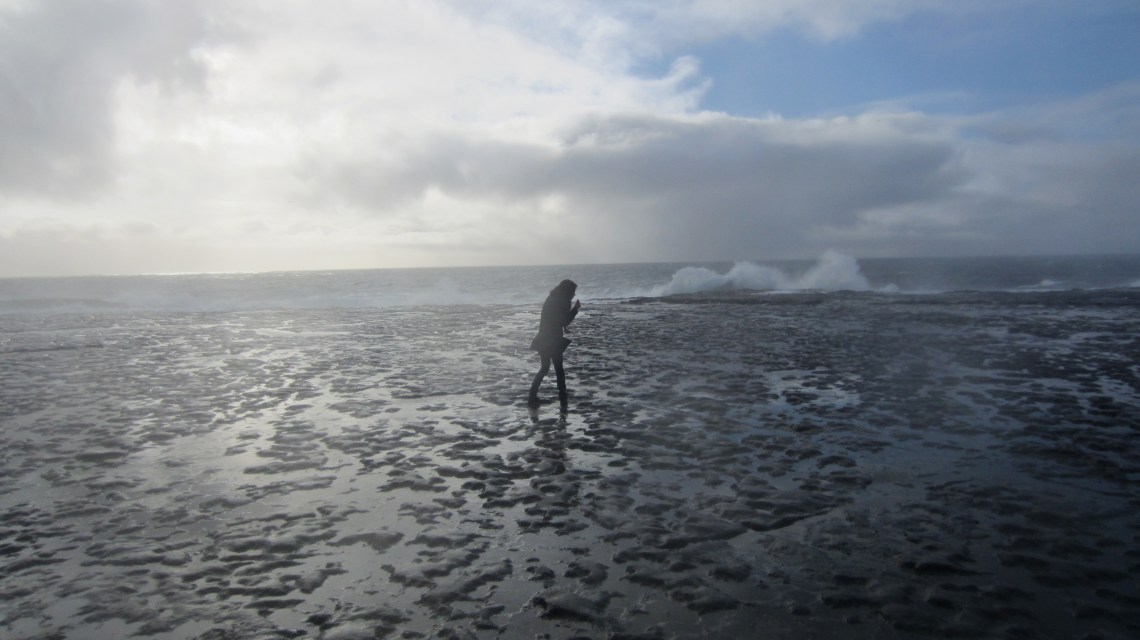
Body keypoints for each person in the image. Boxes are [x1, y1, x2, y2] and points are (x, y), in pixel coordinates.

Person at [528, 279, 581, 407]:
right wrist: (575, 309)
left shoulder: (553, 298)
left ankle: (532, 396)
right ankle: (563, 398)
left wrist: (564, 328)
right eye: (573, 292)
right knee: (558, 368)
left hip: (544, 337)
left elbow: (555, 318)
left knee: (545, 367)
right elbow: (563, 320)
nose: (574, 294)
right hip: (552, 340)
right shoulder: (562, 301)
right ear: (568, 291)